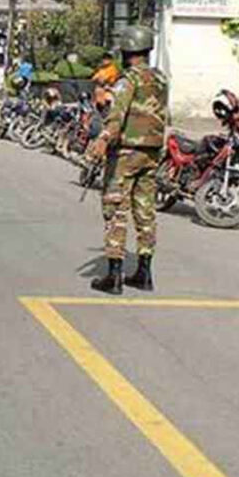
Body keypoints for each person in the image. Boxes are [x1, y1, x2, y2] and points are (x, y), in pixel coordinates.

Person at [86, 25, 168, 295]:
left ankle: (114, 275)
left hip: (126, 152)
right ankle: (145, 272)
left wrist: (102, 139)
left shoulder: (127, 81)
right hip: (152, 151)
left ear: (128, 50)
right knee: (145, 210)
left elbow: (117, 115)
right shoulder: (160, 79)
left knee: (116, 209)